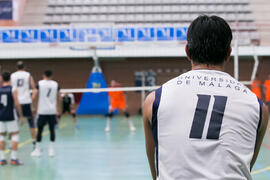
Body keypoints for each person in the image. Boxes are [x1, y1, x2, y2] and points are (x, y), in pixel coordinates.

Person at [143, 15, 269, 180]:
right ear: (228, 53)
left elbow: (156, 167)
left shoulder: (154, 101)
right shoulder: (259, 108)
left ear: (187, 51)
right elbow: (246, 166)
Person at [31, 70, 61, 157]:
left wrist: (31, 105)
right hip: (52, 111)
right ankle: (51, 150)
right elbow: (60, 97)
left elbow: (34, 94)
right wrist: (59, 109)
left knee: (40, 130)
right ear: (52, 76)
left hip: (42, 111)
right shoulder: (56, 84)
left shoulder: (40, 83)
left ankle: (37, 150)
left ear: (43, 75)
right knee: (52, 130)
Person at [11, 61, 37, 148]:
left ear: (16, 67)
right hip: (26, 102)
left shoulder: (12, 76)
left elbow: (10, 88)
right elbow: (34, 89)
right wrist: (31, 98)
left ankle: (12, 144)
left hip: (16, 102)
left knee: (14, 124)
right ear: (24, 67)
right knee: (31, 123)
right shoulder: (28, 75)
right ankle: (34, 143)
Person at [0, 72, 24, 165]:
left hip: (1, 115)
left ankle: (2, 159)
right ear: (10, 79)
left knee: (1, 136)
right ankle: (13, 159)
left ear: (2, 79)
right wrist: (21, 115)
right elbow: (17, 103)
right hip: (11, 115)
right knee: (15, 134)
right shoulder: (13, 89)